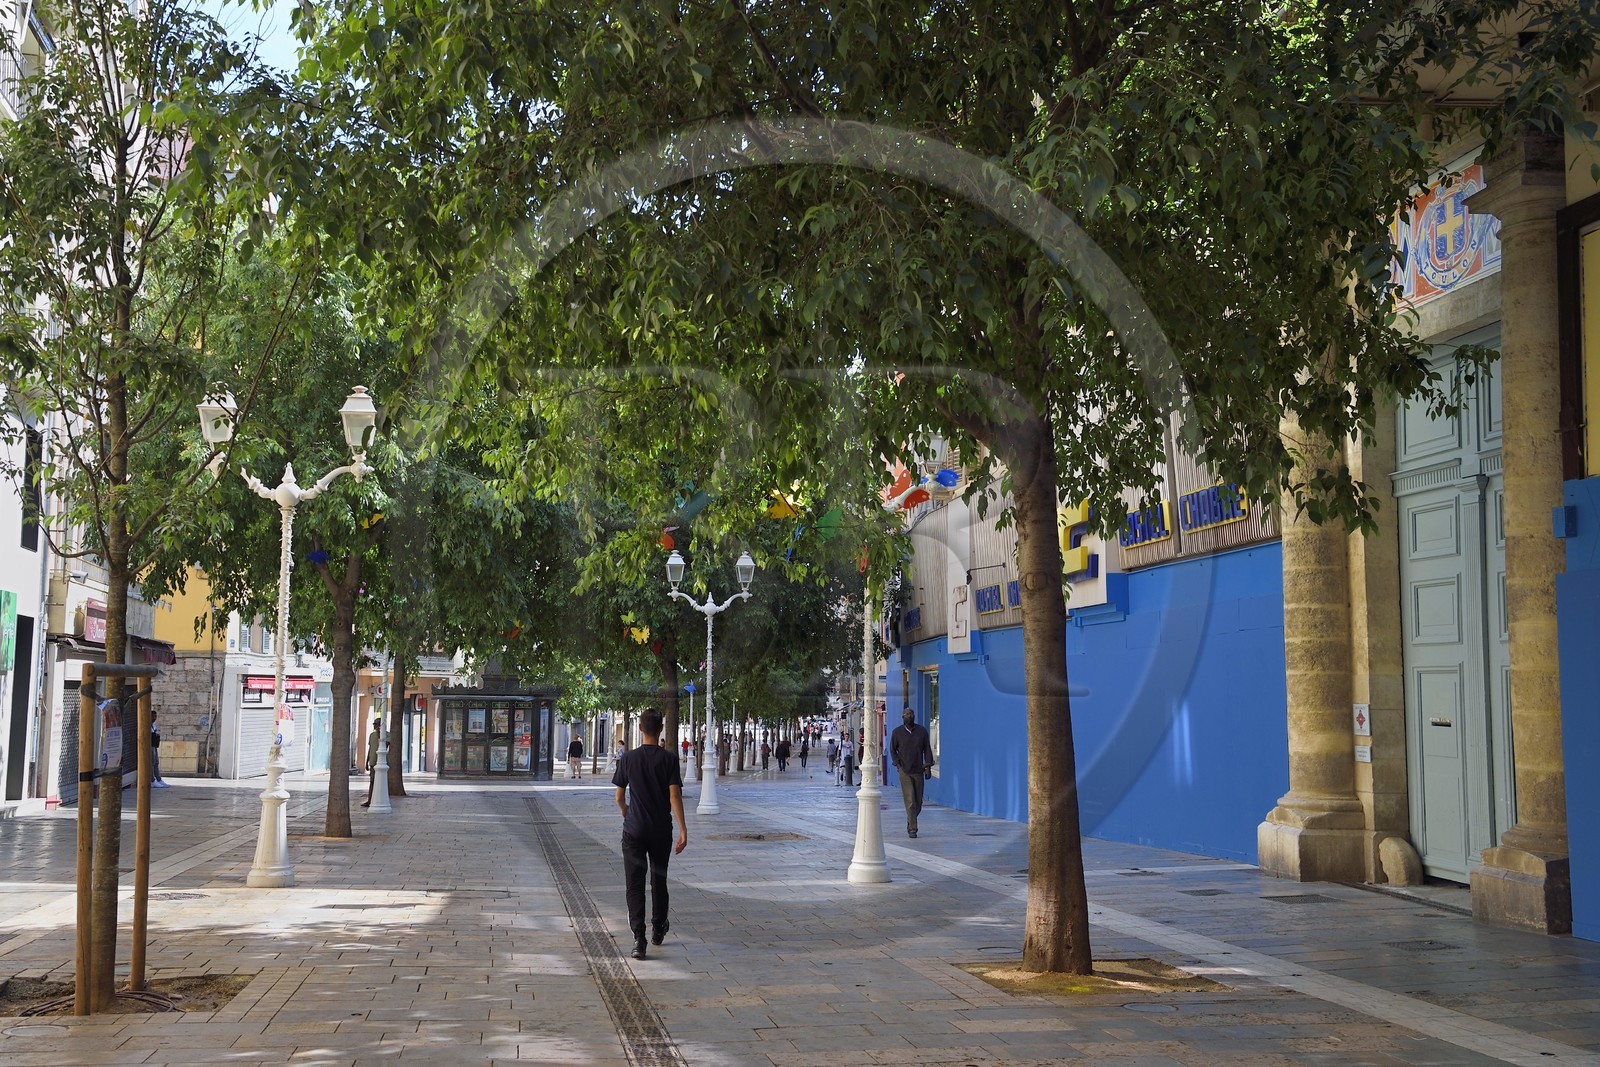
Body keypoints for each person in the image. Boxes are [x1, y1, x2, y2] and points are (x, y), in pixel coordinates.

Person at [612, 709, 687, 961]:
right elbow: (674, 796)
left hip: (634, 830)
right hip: (660, 830)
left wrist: (626, 812)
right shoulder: (669, 759)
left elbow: (619, 797)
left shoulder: (628, 759)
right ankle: (658, 929)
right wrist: (683, 829)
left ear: (641, 729)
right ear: (661, 728)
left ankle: (638, 939)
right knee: (659, 880)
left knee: (634, 884)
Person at [889, 706, 936, 838]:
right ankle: (913, 829)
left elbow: (927, 749)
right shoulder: (897, 732)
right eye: (907, 714)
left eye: (911, 714)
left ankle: (911, 820)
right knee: (910, 800)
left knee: (918, 803)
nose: (909, 716)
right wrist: (898, 765)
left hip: (918, 770)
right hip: (904, 770)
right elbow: (892, 750)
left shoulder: (921, 731)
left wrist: (928, 767)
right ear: (902, 717)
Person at [361, 717, 381, 807]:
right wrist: (367, 761)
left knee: (381, 782)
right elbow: (370, 748)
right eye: (374, 724)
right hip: (373, 761)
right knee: (372, 781)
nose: (375, 726)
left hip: (381, 763)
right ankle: (369, 800)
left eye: (376, 724)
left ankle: (378, 799)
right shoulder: (371, 735)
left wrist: (379, 734)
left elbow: (386, 745)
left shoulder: (386, 735)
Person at [150, 710, 167, 787]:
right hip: (149, 745)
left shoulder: (153, 725)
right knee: (151, 762)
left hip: (154, 745)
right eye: (152, 716)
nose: (154, 718)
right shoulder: (147, 725)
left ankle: (158, 779)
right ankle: (152, 780)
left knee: (156, 762)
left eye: (155, 716)